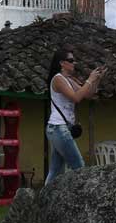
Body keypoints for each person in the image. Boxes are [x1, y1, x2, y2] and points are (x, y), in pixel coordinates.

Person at [45, 47, 106, 185]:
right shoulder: (58, 79)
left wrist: (97, 79)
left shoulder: (68, 80)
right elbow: (76, 98)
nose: (74, 63)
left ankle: (43, 203)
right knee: (79, 167)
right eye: (71, 60)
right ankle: (83, 200)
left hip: (59, 129)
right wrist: (90, 79)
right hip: (58, 128)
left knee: (55, 171)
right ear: (62, 63)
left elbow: (88, 94)